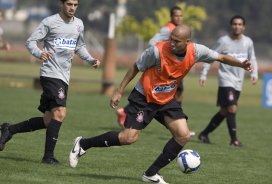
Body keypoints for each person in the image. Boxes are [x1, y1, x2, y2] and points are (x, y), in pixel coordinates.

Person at [69, 25, 253, 184]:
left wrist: (242, 65)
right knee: (129, 138)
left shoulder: (196, 51)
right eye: (171, 39)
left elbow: (221, 57)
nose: (172, 43)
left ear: (187, 42)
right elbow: (135, 67)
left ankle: (151, 174)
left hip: (166, 100)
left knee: (183, 135)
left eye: (177, 41)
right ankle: (83, 143)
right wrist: (118, 91)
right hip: (144, 97)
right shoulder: (156, 51)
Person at [0, 0, 100, 164]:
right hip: (50, 74)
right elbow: (30, 42)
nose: (72, 8)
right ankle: (48, 157)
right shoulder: (49, 22)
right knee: (60, 113)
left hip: (63, 77)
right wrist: (39, 53)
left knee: (49, 120)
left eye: (75, 5)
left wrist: (90, 59)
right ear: (62, 4)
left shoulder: (79, 25)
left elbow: (79, 46)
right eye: (69, 4)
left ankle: (9, 129)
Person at [116, 6, 196, 136]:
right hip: (164, 70)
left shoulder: (181, 30)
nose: (179, 18)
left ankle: (178, 123)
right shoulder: (167, 30)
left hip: (175, 69)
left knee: (178, 92)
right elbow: (153, 41)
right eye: (176, 16)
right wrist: (160, 56)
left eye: (181, 16)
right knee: (164, 94)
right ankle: (126, 111)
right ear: (171, 17)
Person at [198, 15, 258, 147]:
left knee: (224, 112)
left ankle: (204, 133)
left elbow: (252, 58)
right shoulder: (223, 41)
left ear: (244, 26)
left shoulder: (248, 42)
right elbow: (210, 56)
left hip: (238, 82)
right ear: (231, 26)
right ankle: (234, 140)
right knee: (232, 108)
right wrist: (203, 75)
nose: (237, 26)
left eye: (240, 24)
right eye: (235, 24)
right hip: (226, 80)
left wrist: (254, 73)